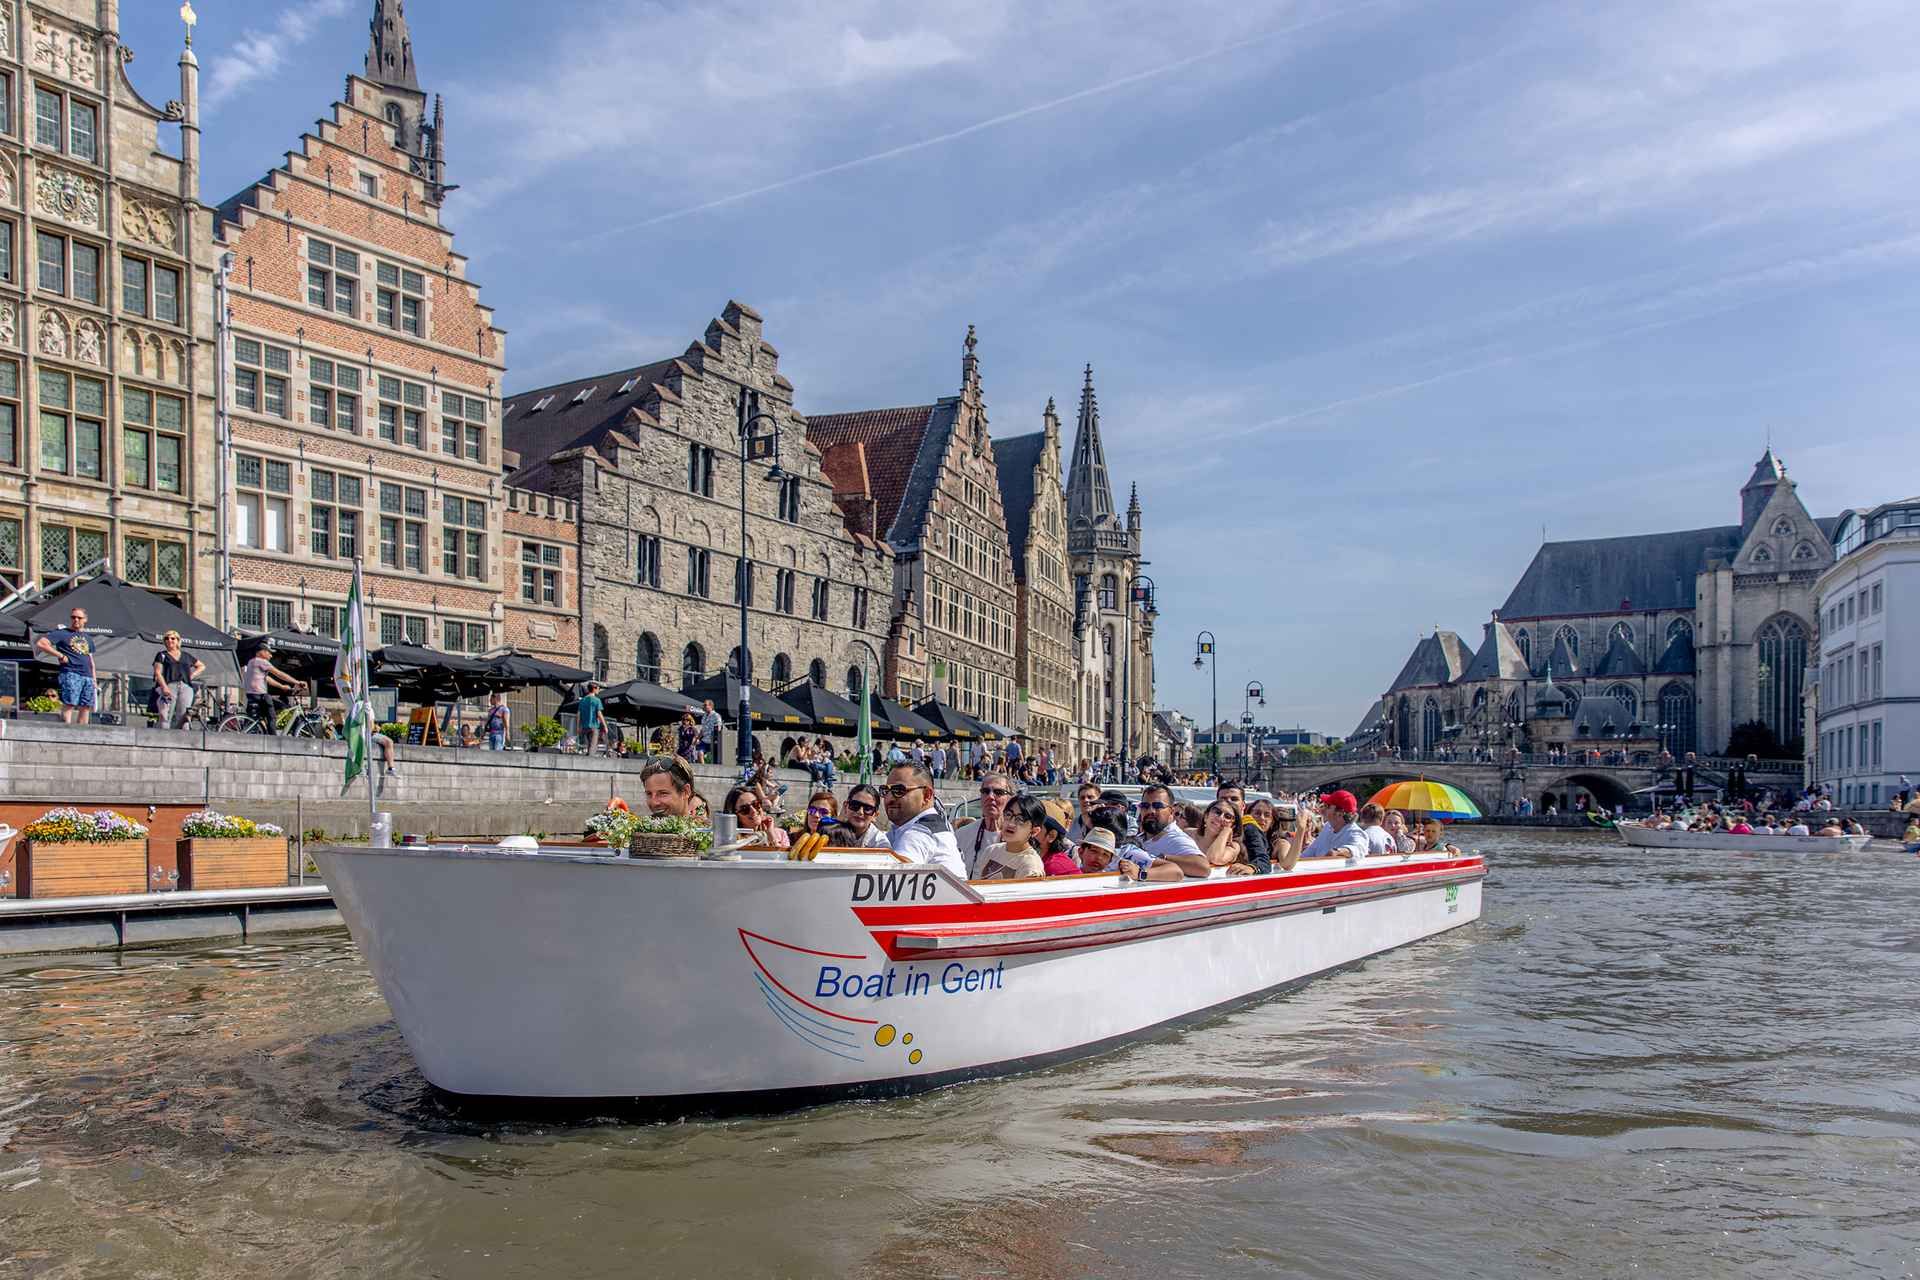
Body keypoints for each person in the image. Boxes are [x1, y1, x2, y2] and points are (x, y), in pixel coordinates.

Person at [882, 762, 966, 879]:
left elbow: (894, 875)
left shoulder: (921, 832)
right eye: (885, 790)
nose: (889, 798)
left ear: (926, 795)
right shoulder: (930, 825)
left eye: (899, 790)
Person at [36, 606, 98, 725]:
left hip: (88, 676)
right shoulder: (62, 633)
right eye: (73, 617)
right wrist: (60, 655)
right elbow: (41, 643)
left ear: (85, 619)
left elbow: (91, 660)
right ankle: (66, 730)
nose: (76, 620)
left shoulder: (88, 638)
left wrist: (94, 679)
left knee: (85, 706)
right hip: (71, 672)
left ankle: (81, 735)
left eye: (79, 618)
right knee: (69, 703)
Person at [1134, 784, 1211, 878]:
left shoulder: (1175, 838)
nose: (1151, 811)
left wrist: (1161, 858)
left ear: (1171, 811)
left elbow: (1203, 868)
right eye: (1145, 806)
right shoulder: (1139, 838)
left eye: (1157, 806)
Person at [971, 793, 1048, 880]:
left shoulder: (1031, 866)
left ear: (1034, 831)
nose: (1011, 823)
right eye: (1008, 815)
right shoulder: (991, 850)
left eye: (1020, 819)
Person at [240, 643, 301, 734]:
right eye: (269, 652)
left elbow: (267, 679)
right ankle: (273, 739)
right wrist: (297, 682)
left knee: (260, 717)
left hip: (251, 695)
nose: (271, 655)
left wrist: (282, 686)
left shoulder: (251, 662)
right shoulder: (262, 661)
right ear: (262, 652)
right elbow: (279, 674)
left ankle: (262, 730)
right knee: (276, 713)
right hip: (260, 695)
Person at [151, 630, 205, 729]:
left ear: (178, 641)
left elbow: (201, 666)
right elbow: (158, 672)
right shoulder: (162, 655)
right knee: (165, 716)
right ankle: (163, 739)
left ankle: (184, 739)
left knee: (184, 716)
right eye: (166, 638)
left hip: (185, 686)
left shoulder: (186, 656)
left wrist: (191, 676)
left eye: (172, 638)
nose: (169, 640)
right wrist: (164, 687)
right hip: (169, 685)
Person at [961, 772, 1014, 868]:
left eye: (998, 792)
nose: (990, 796)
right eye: (985, 791)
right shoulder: (962, 835)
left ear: (1010, 799)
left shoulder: (1018, 839)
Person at [1300, 790, 1370, 858]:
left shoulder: (1355, 833)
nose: (1323, 808)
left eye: (1327, 806)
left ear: (1339, 814)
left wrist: (1339, 851)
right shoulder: (1328, 826)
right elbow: (1309, 853)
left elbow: (1359, 849)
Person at [726, 785, 791, 850]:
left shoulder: (781, 834)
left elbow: (784, 858)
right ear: (735, 815)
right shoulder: (731, 840)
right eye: (744, 809)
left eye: (755, 804)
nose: (753, 811)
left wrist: (771, 836)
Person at [837, 783, 893, 849]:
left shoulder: (880, 844)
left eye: (867, 808)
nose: (860, 812)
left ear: (875, 815)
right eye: (855, 805)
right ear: (846, 806)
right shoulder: (829, 831)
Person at [577, 682, 606, 755]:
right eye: (598, 689)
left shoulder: (582, 700)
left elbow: (578, 714)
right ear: (594, 689)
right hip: (594, 726)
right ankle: (589, 762)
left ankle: (587, 760)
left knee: (587, 746)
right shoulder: (597, 700)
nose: (598, 690)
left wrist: (578, 727)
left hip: (584, 727)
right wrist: (605, 725)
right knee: (593, 746)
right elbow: (599, 714)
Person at [699, 698, 723, 764]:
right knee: (700, 753)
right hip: (705, 739)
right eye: (703, 705)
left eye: (705, 705)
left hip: (713, 740)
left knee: (714, 758)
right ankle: (703, 769)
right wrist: (697, 739)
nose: (704, 706)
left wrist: (716, 737)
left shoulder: (716, 715)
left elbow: (719, 727)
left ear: (711, 706)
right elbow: (702, 729)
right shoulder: (704, 716)